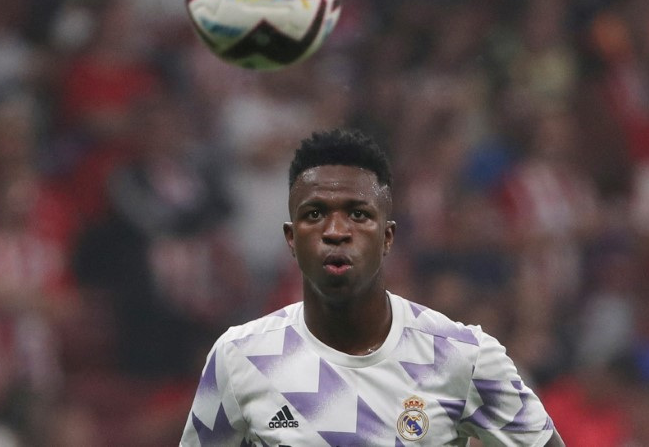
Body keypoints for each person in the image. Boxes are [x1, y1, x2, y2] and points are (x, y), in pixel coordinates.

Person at [180, 128, 565, 446]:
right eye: (314, 215)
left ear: (387, 238)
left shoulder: (464, 356)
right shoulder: (239, 357)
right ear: (291, 238)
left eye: (359, 214)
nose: (335, 231)